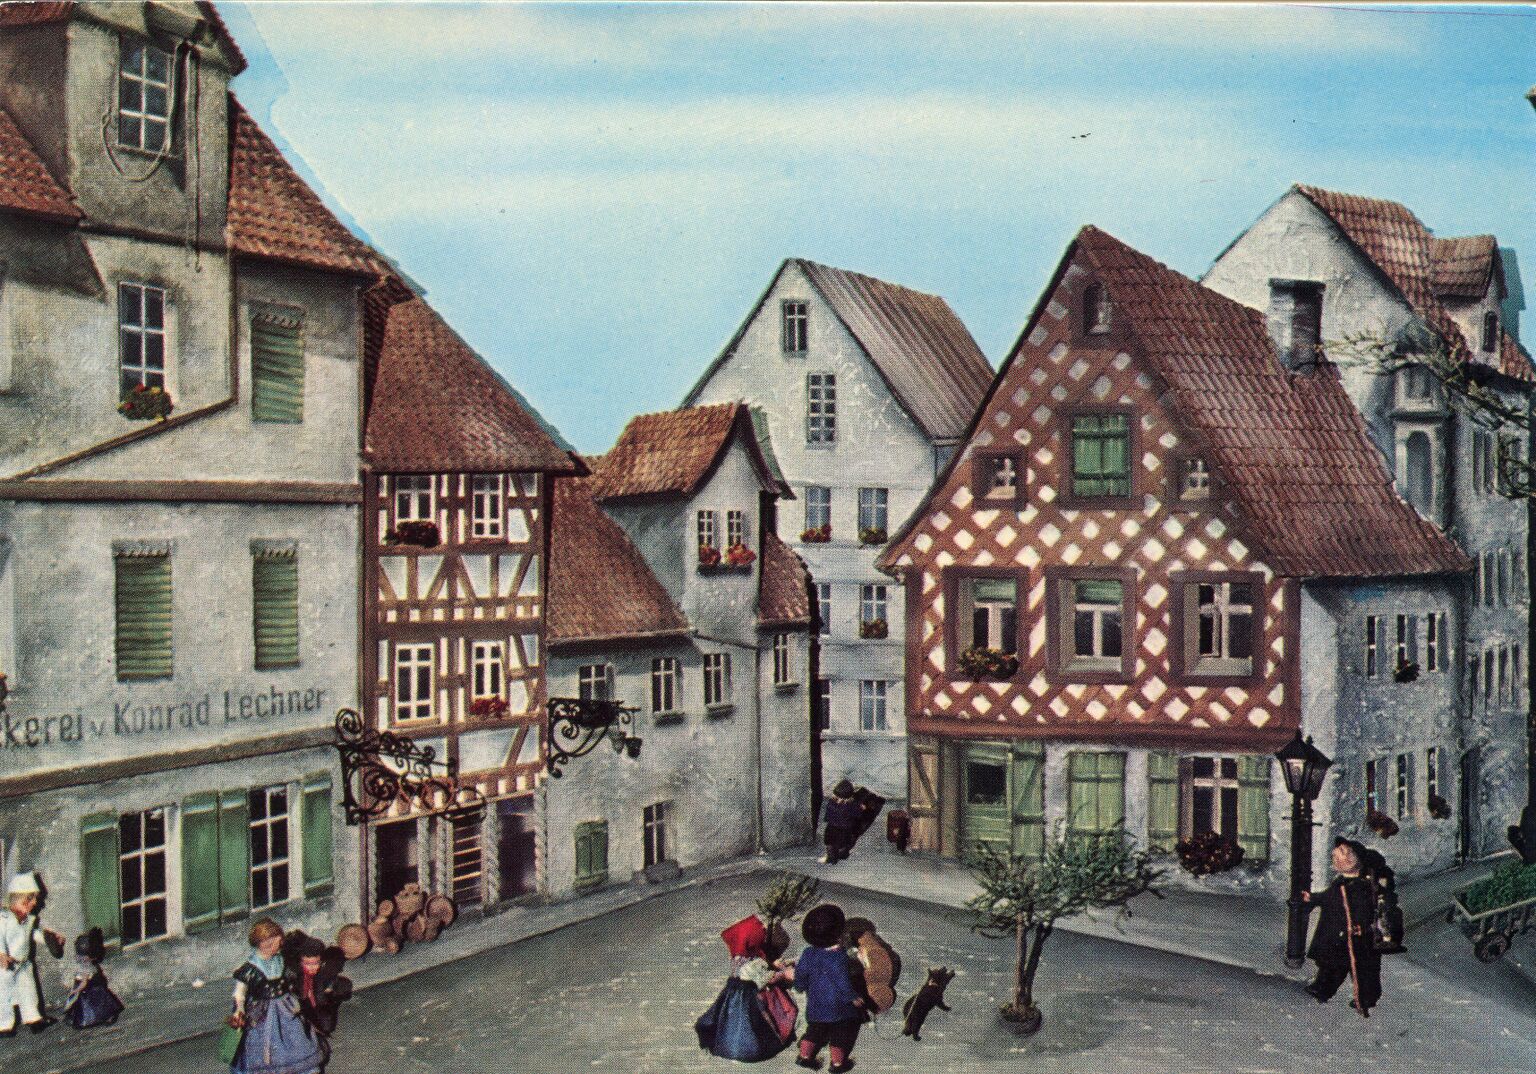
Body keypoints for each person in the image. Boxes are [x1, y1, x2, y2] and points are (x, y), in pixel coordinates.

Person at [694, 914, 796, 1062]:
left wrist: (772, 965)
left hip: (734, 992)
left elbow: (753, 971)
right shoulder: (753, 962)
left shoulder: (739, 956)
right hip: (750, 995)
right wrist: (783, 973)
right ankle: (749, 1046)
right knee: (750, 1022)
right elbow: (765, 978)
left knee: (729, 1018)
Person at [228, 919, 324, 1074]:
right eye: (275, 943)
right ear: (264, 944)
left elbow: (288, 979)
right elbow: (239, 993)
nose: (278, 946)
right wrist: (239, 1009)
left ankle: (302, 1069)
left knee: (295, 1036)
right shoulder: (250, 968)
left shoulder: (279, 960)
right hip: (262, 1012)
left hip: (285, 1007)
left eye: (279, 942)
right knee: (265, 1045)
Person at [1301, 841, 1382, 1016]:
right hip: (1335, 932)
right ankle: (1322, 989)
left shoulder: (1361, 886)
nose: (1335, 858)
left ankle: (1366, 997)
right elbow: (1328, 897)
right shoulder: (1340, 883)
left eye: (1341, 855)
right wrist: (1312, 898)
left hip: (1352, 935)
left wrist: (1360, 926)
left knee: (1361, 969)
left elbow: (1366, 909)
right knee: (1331, 965)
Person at [788, 903, 865, 1073]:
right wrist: (852, 997)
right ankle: (838, 1064)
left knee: (814, 1031)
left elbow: (801, 973)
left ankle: (804, 1057)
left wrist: (799, 985)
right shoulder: (838, 957)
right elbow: (842, 982)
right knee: (839, 1036)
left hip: (816, 1004)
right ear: (838, 935)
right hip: (838, 1007)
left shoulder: (808, 953)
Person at [0, 873, 63, 1037]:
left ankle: (34, 1018)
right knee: (3, 994)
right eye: (29, 899)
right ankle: (4, 1025)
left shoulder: (28, 920)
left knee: (28, 990)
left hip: (23, 963)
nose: (34, 903)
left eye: (34, 899)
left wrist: (49, 939)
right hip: (5, 965)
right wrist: (1, 954)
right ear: (16, 900)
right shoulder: (3, 919)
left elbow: (32, 934)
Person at [286, 937, 351, 1054]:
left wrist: (330, 991)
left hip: (319, 1000)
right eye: (307, 964)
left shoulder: (325, 972)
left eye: (316, 963)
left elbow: (339, 981)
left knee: (327, 1026)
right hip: (302, 1004)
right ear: (300, 962)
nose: (312, 967)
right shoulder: (295, 973)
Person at [63, 928, 123, 1029]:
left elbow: (84, 983)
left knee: (90, 1005)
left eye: (81, 956)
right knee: (95, 1004)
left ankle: (88, 1018)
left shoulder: (87, 968)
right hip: (92, 988)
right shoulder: (90, 965)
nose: (78, 958)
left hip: (89, 990)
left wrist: (76, 990)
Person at [821, 782, 862, 864]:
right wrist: (860, 808)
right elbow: (857, 814)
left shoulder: (831, 802)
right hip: (844, 829)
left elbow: (827, 816)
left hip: (832, 827)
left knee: (830, 842)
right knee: (843, 842)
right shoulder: (851, 805)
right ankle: (841, 853)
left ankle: (832, 856)